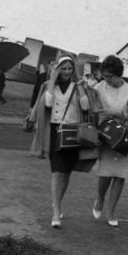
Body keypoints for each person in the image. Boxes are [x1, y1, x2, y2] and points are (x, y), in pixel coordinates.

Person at [40, 55, 91, 228]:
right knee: (56, 171)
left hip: (73, 131)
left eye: (70, 68)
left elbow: (85, 107)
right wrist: (52, 80)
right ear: (58, 69)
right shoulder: (50, 86)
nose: (67, 71)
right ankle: (56, 213)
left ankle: (57, 205)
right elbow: (47, 104)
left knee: (67, 172)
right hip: (56, 131)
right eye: (64, 68)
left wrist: (82, 88)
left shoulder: (77, 86)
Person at [90, 55, 128, 227]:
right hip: (106, 136)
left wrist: (115, 114)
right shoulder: (99, 87)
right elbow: (92, 108)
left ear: (119, 75)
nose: (107, 80)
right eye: (105, 76)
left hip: (125, 138)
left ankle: (111, 210)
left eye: (110, 76)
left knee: (120, 175)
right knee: (106, 172)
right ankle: (100, 198)